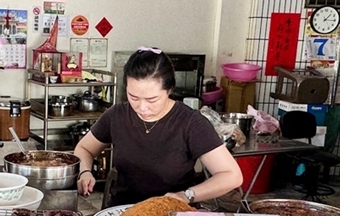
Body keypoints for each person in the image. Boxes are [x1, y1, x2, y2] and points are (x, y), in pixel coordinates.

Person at [75, 47, 243, 207]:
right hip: (123, 211)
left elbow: (231, 176)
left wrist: (186, 195)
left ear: (169, 90)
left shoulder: (191, 123)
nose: (142, 107)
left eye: (152, 100)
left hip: (172, 214)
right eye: (133, 97)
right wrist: (85, 172)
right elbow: (84, 148)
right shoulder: (117, 115)